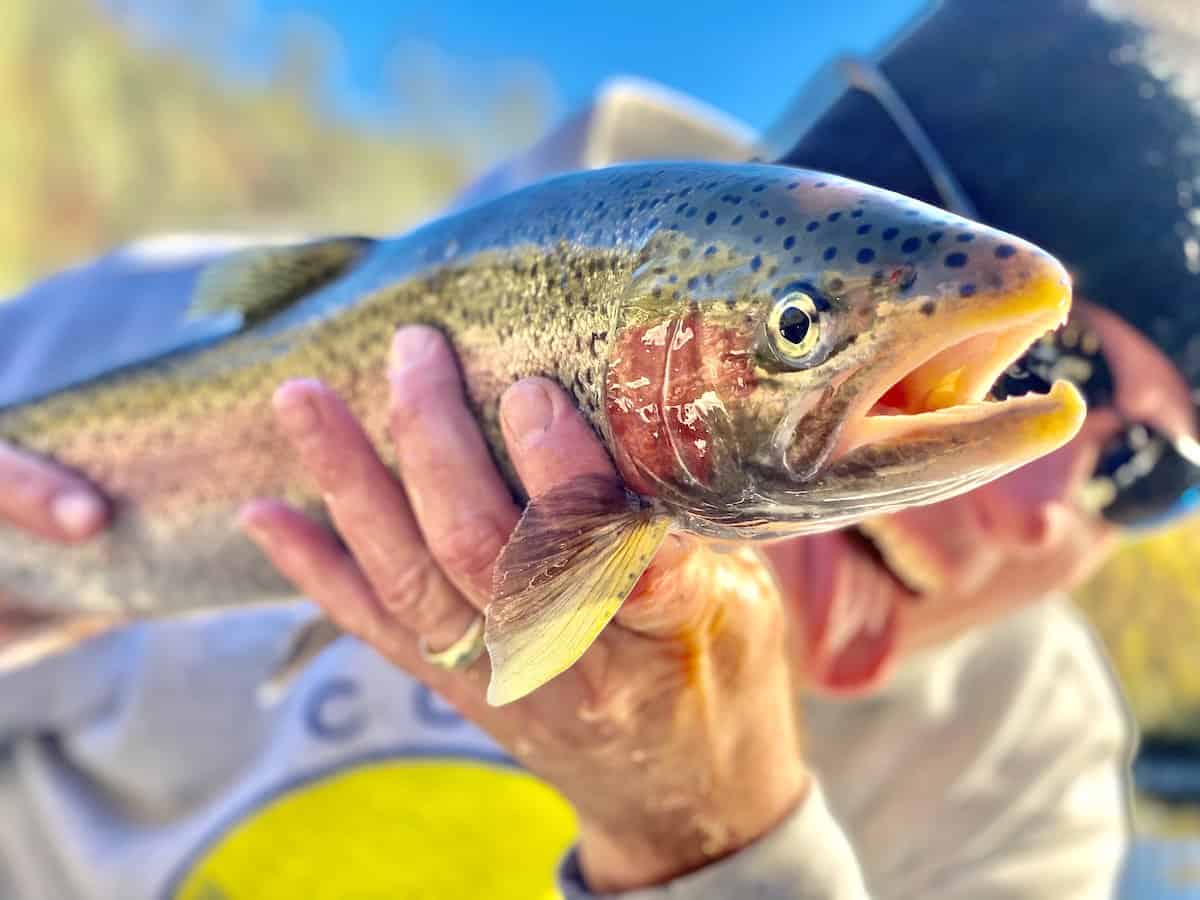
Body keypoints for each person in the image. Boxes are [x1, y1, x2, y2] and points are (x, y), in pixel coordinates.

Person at [2, 1, 1197, 897]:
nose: (1043, 509)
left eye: (1154, 473)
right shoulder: (102, 343)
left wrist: (723, 848)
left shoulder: (1024, 782)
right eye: (1050, 369)